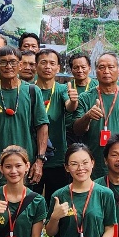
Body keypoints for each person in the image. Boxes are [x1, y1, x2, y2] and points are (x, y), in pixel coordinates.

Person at [0, 48, 50, 179]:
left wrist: (39, 161)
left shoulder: (32, 91)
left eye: (13, 62)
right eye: (3, 62)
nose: (8, 66)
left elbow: (42, 127)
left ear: (20, 65)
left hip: (25, 164)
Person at [72, 53, 119, 179]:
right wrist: (87, 116)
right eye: (101, 67)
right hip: (93, 164)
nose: (106, 71)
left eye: (111, 67)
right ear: (95, 71)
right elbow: (77, 130)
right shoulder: (85, 97)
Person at [35, 49, 77, 195]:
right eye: (43, 62)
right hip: (32, 157)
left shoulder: (62, 89)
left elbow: (69, 106)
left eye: (52, 63)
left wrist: (73, 101)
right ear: (36, 65)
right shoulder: (29, 90)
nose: (48, 67)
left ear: (58, 68)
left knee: (57, 201)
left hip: (57, 158)